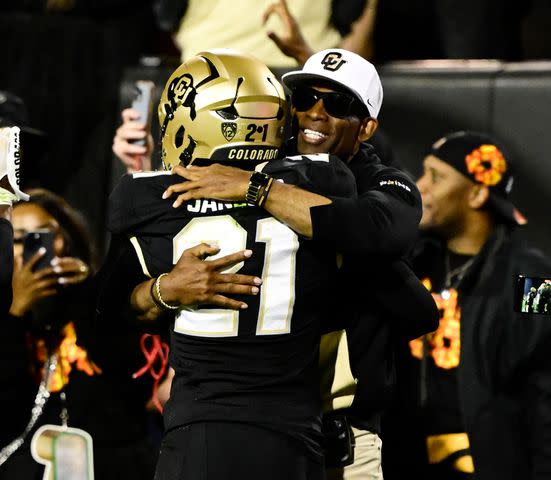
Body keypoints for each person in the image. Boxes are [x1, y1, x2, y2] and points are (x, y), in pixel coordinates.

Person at [156, 48, 439, 480]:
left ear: (366, 127)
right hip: (254, 424)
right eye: (305, 98)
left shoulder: (381, 181)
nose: (316, 113)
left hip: (343, 436)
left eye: (338, 104)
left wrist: (258, 191)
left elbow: (383, 229)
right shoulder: (252, 163)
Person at [100, 49, 362, 479]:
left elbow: (104, 309)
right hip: (296, 435)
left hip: (205, 431)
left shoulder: (145, 198)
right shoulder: (324, 183)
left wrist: (162, 290)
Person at [382, 131, 551, 480]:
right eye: (424, 172)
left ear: (476, 193)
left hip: (491, 464)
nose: (420, 186)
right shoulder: (410, 262)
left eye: (437, 177)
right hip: (404, 460)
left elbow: (544, 381)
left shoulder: (533, 276)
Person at [0, 188, 158, 479]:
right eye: (18, 238)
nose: (34, 249)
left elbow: (128, 382)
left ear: (66, 241)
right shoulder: (6, 320)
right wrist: (17, 310)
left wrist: (92, 291)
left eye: (45, 236)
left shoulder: (93, 300)